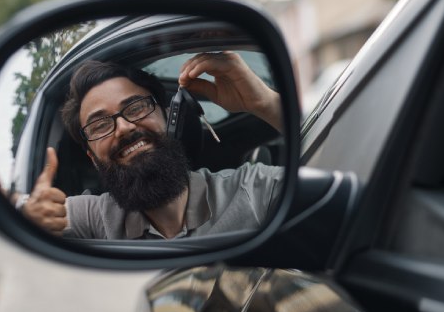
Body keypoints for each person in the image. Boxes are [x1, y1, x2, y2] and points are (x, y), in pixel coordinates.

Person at [20, 52, 284, 239]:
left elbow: (325, 171)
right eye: (99, 125)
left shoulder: (251, 188)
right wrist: (29, 212)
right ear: (92, 158)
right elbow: (26, 213)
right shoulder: (96, 217)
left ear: (169, 117)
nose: (124, 128)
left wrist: (264, 103)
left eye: (135, 107)